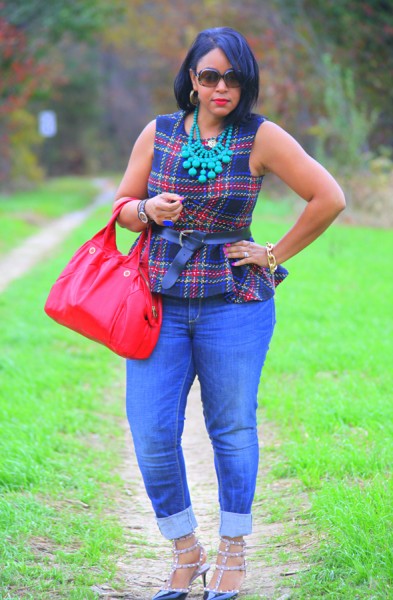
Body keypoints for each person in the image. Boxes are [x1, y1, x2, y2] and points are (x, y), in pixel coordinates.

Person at [113, 26, 345, 600]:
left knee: (233, 429)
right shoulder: (159, 132)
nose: (221, 87)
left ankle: (234, 551)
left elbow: (329, 197)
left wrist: (271, 254)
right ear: (191, 79)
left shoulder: (260, 138)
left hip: (234, 306)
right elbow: (121, 208)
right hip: (158, 305)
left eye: (233, 77)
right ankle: (185, 550)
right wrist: (146, 208)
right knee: (151, 431)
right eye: (210, 75)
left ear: (245, 82)